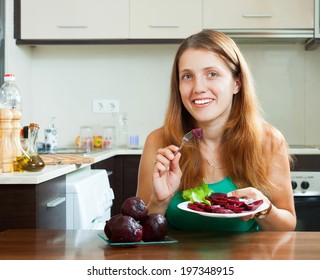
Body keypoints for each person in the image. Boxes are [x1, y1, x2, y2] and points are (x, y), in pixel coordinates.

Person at [136, 30, 296, 232]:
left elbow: (288, 225)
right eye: (187, 76)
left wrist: (263, 209)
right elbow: (138, 230)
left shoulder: (270, 141)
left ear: (236, 83)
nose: (198, 87)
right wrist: (159, 202)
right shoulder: (159, 141)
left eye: (212, 74)